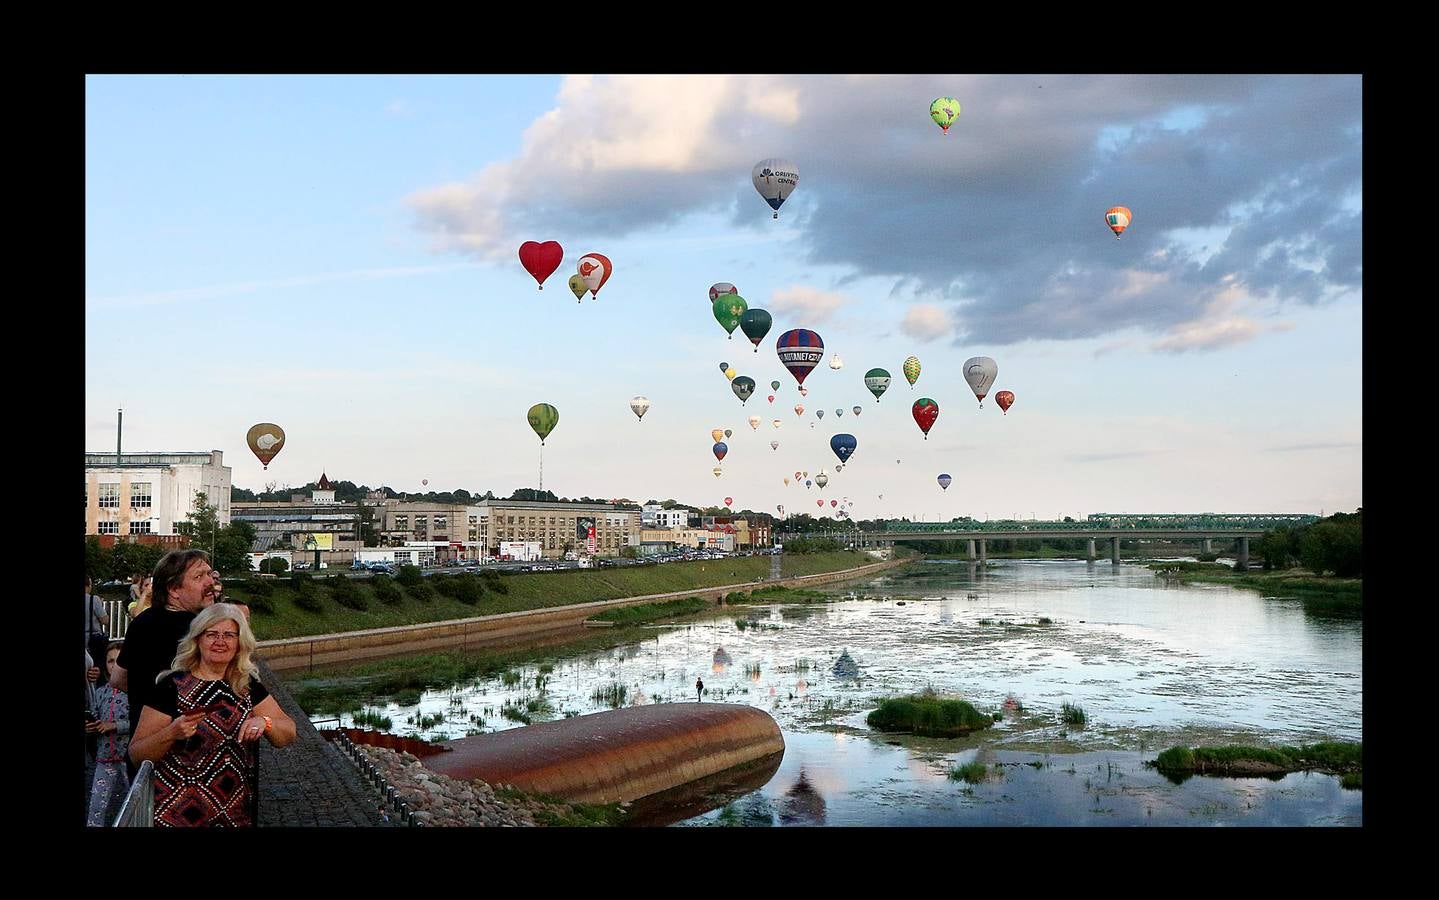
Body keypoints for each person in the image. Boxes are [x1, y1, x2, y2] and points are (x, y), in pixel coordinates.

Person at [128, 604, 296, 827]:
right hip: (176, 817)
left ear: (239, 643)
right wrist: (171, 733)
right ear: (198, 639)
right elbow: (136, 753)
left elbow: (289, 732)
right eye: (211, 634)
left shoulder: (246, 686)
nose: (220, 641)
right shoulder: (171, 687)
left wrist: (265, 722)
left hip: (234, 816)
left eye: (229, 635)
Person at [114, 550, 216, 742]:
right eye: (199, 576)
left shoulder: (141, 621)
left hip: (145, 744)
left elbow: (117, 678)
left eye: (210, 574)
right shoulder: (199, 630)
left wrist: (147, 701)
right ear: (174, 589)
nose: (210, 582)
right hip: (187, 749)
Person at [87, 641, 131, 826]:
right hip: (104, 758)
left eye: (119, 661)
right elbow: (95, 715)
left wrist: (115, 725)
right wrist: (90, 725)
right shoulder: (100, 692)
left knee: (132, 802)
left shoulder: (135, 692)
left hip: (128, 758)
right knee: (97, 806)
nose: (114, 665)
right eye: (110, 661)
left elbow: (138, 722)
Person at [85, 577, 110, 670]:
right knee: (95, 668)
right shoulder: (93, 599)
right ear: (88, 585)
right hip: (92, 640)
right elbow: (105, 620)